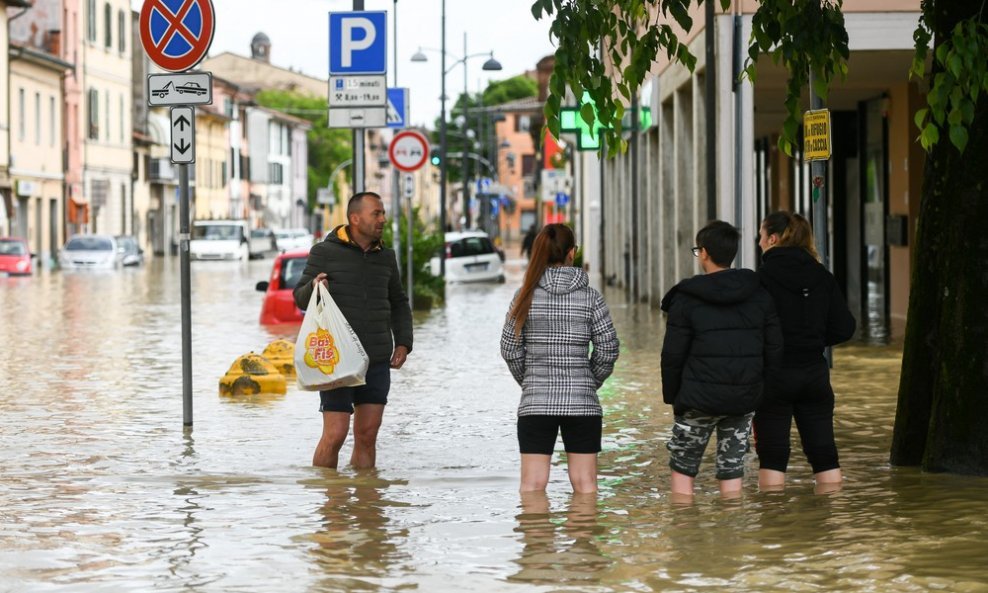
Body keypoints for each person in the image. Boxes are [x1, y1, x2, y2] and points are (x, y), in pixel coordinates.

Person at [660, 220, 783, 500]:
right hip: (743, 398)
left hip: (696, 399)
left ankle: (684, 531)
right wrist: (760, 391)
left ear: (703, 253)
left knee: (683, 469)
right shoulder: (759, 294)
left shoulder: (686, 298)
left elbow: (672, 355)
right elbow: (774, 350)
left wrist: (673, 396)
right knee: (732, 470)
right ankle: (731, 534)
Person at [294, 191, 413, 470]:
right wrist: (313, 288)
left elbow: (399, 302)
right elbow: (298, 297)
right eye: (377, 213)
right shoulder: (324, 252)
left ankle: (365, 506)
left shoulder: (387, 257)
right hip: (337, 361)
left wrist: (404, 343)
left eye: (383, 213)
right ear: (355, 218)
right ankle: (330, 504)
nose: (383, 219)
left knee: (367, 436)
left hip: (377, 359)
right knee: (335, 435)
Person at [500, 223, 619, 494]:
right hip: (582, 404)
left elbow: (509, 348)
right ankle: (582, 535)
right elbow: (608, 349)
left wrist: (531, 381)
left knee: (532, 487)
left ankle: (537, 538)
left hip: (536, 404)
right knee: (586, 487)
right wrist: (589, 381)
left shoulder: (524, 295)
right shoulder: (591, 298)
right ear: (572, 253)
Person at [754, 211, 856, 492]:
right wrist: (814, 339)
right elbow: (845, 327)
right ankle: (831, 518)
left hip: (774, 377)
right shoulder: (822, 277)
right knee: (824, 452)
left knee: (773, 455)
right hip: (814, 374)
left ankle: (772, 522)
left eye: (761, 236)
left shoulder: (761, 279)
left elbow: (752, 328)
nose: (759, 242)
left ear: (773, 238)